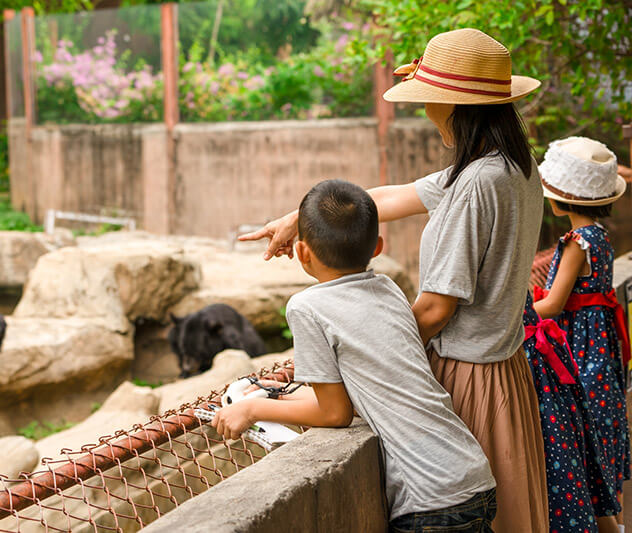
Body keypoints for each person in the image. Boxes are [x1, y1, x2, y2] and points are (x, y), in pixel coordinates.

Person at [239, 28, 548, 531]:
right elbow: (390, 197)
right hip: (505, 370)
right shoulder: (511, 165)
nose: (425, 111)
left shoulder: (475, 185)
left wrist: (370, 357)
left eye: (428, 99)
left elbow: (434, 310)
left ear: (453, 105)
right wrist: (302, 216)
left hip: (469, 378)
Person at [212, 179, 497, 531]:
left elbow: (335, 412)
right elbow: (365, 380)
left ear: (301, 253)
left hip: (431, 499)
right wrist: (276, 392)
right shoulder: (389, 288)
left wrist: (252, 408)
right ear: (377, 247)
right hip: (471, 473)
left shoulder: (306, 307)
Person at [533, 137, 631, 532]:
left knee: (585, 438)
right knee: (603, 440)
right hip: (602, 344)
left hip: (582, 346)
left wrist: (519, 315)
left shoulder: (576, 243)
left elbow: (554, 304)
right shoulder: (602, 236)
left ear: (557, 200)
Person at [523, 292, 621, 533]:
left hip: (580, 347)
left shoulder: (577, 250)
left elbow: (555, 303)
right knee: (581, 475)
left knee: (565, 474)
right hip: (563, 353)